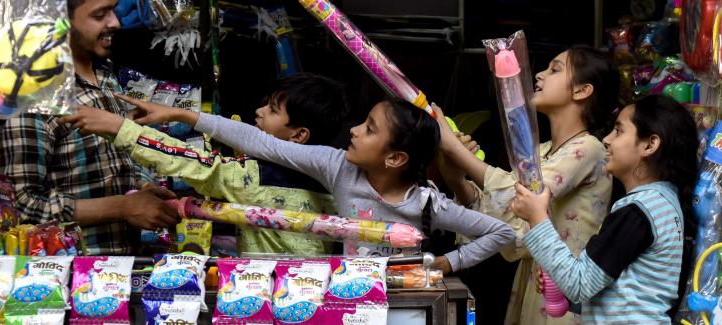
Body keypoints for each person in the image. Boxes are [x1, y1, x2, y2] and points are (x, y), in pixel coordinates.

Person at [72, 95, 515, 272]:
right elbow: (259, 142)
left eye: (370, 128)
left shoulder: (426, 204)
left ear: (396, 158)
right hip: (350, 293)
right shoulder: (337, 167)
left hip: (403, 300)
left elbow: (502, 231)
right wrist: (183, 115)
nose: (355, 131)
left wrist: (443, 265)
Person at [0, 0, 180, 255]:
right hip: (70, 278)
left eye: (113, 9)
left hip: (120, 272)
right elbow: (21, 204)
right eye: (100, 15)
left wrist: (143, 187)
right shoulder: (35, 94)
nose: (116, 23)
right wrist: (121, 207)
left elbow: (116, 161)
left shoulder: (105, 76)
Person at [63, 73, 347, 256]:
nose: (259, 112)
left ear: (298, 136)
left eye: (272, 110)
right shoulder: (335, 179)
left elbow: (187, 161)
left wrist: (117, 126)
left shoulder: (256, 179)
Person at [436, 46, 620, 324]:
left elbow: (522, 193)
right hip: (535, 285)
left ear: (582, 91)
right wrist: (457, 179)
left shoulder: (589, 149)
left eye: (554, 69)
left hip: (565, 291)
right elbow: (508, 222)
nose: (539, 75)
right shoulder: (540, 150)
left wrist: (454, 149)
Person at [512, 94, 698, 324]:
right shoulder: (662, 203)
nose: (607, 140)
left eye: (619, 131)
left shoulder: (638, 211)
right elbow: (625, 294)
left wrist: (537, 217)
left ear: (650, 145)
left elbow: (579, 284)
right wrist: (563, 290)